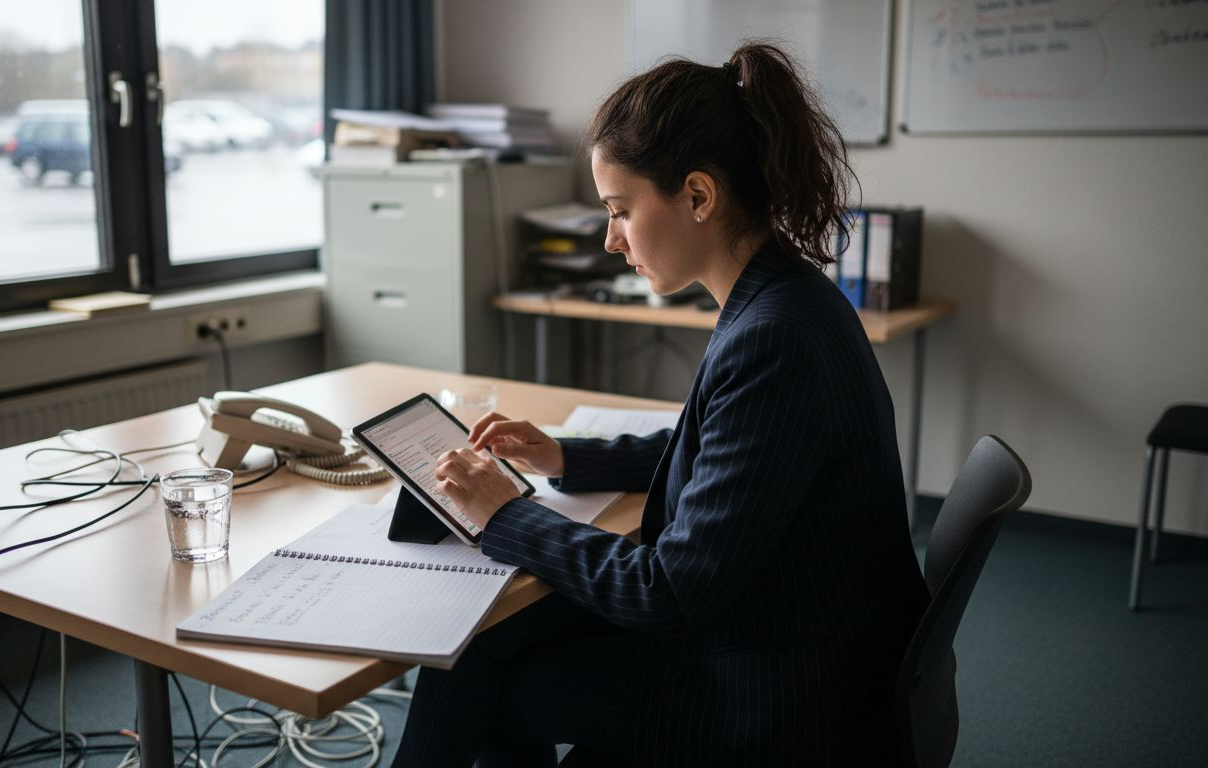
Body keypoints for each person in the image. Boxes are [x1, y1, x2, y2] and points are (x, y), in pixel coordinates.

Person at [391, 41, 928, 767]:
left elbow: (669, 593)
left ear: (699, 197)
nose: (611, 239)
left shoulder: (773, 339)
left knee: (479, 678)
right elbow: (720, 455)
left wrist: (503, 513)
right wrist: (564, 456)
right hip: (791, 629)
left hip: (783, 690)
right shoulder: (784, 296)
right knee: (485, 646)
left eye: (619, 210)